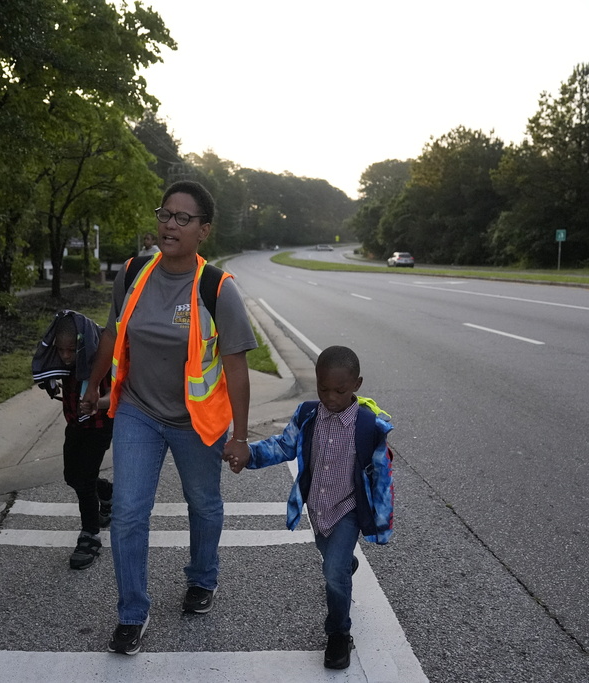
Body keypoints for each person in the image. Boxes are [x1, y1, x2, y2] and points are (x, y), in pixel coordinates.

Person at [81, 180, 257, 655]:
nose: (170, 224)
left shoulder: (216, 288)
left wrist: (239, 436)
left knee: (203, 505)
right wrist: (91, 386)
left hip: (194, 422)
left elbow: (237, 369)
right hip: (138, 410)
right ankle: (131, 614)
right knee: (129, 512)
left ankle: (202, 578)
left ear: (204, 231)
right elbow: (112, 332)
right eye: (165, 214)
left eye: (183, 218)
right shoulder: (134, 273)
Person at [224, 345, 394, 670]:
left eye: (339, 390)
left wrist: (381, 521)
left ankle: (338, 634)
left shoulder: (368, 426)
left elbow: (382, 475)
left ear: (357, 384)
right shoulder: (308, 415)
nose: (330, 398)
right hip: (317, 508)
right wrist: (249, 455)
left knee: (332, 573)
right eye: (323, 389)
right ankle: (345, 565)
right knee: (334, 561)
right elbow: (284, 445)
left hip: (348, 509)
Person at [31, 310, 114, 570]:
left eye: (70, 350)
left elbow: (117, 397)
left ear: (81, 344)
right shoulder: (65, 359)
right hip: (75, 424)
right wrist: (50, 382)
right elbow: (51, 368)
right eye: (60, 350)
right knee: (71, 476)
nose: (65, 356)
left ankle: (90, 536)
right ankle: (108, 493)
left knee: (85, 480)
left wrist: (96, 403)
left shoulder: (101, 354)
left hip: (100, 425)